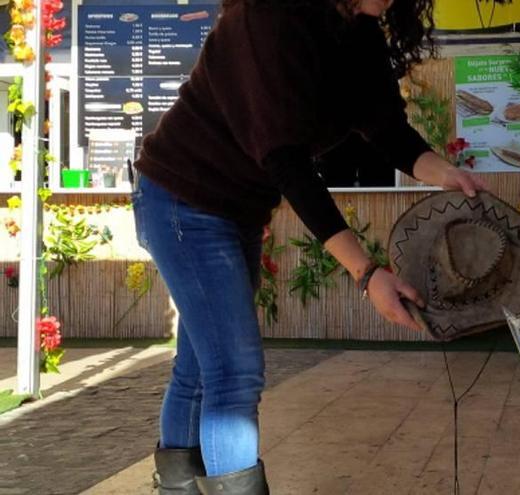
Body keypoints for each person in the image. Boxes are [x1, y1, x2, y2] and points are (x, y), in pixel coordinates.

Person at [131, 0, 485, 493]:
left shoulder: (358, 30)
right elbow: (288, 163)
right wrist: (366, 274)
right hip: (181, 201)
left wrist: (446, 174)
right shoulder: (266, 18)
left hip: (239, 211)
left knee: (199, 368)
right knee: (234, 373)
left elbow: (387, 129)